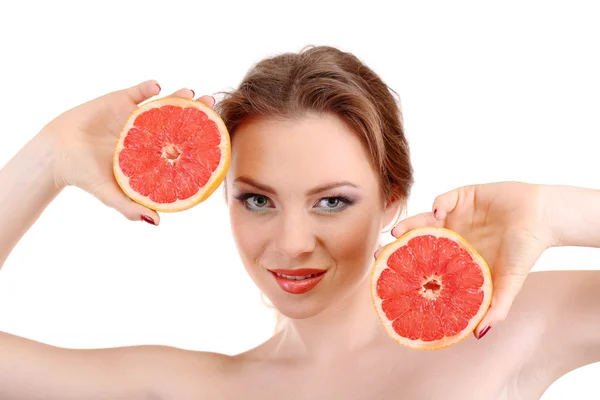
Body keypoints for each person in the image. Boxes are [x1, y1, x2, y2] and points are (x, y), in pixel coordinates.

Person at [0, 45, 598, 399]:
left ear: (393, 198)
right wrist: (48, 158)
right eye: (258, 200)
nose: (290, 244)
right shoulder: (201, 387)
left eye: (332, 201)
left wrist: (555, 211)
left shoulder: (506, 329)